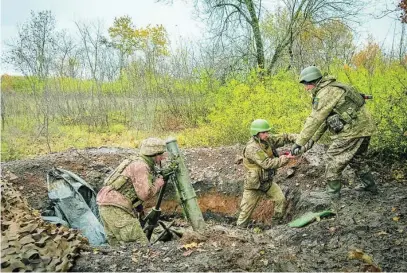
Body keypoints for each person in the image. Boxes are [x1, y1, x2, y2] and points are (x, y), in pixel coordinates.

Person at [291, 66, 377, 198]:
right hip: (364, 127)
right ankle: (370, 187)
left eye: (306, 85)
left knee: (332, 157)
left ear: (313, 82)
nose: (306, 88)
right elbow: (324, 121)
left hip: (353, 130)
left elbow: (315, 120)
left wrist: (299, 142)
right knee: (356, 158)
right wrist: (310, 142)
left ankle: (332, 192)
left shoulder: (326, 93)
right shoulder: (333, 87)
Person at [96, 137, 168, 245]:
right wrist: (157, 184)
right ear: (155, 154)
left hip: (106, 205)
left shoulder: (135, 161)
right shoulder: (141, 166)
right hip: (116, 207)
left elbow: (128, 187)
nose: (162, 158)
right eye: (161, 155)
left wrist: (138, 208)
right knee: (139, 244)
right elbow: (145, 194)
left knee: (118, 247)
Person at [236, 119, 296, 228]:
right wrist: (286, 158)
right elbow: (267, 163)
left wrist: (299, 139)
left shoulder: (267, 141)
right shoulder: (252, 148)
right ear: (256, 133)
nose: (267, 134)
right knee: (245, 213)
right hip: (254, 186)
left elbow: (284, 137)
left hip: (267, 182)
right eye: (263, 133)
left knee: (280, 200)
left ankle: (275, 225)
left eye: (267, 132)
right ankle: (239, 232)